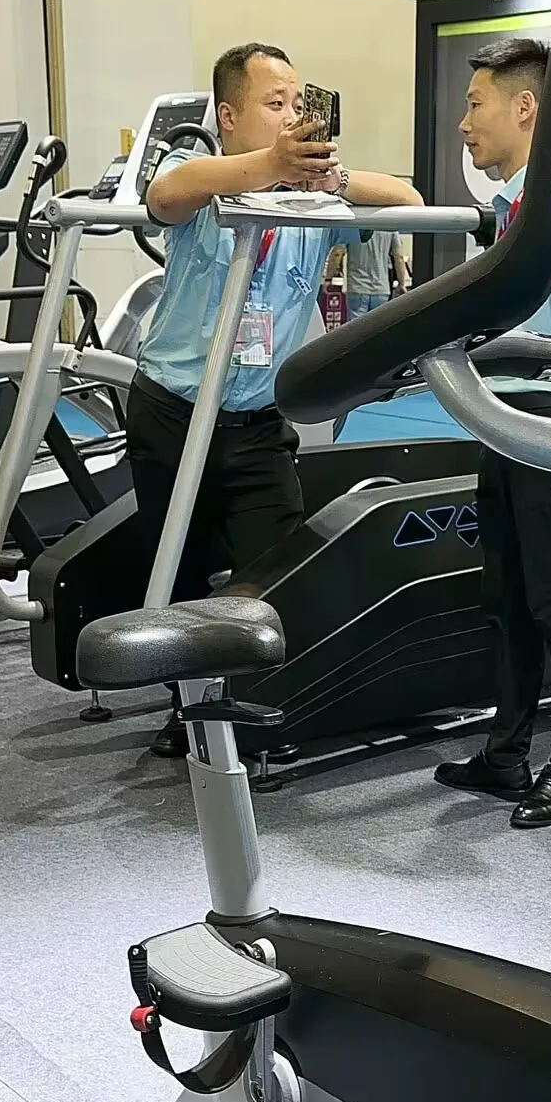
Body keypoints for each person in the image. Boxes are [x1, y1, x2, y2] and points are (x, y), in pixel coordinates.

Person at [130, 40, 421, 754]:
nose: (292, 115)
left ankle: (256, 703)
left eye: (297, 103)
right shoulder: (198, 175)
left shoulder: (316, 199)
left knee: (275, 569)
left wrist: (329, 178)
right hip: (173, 412)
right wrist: (270, 166)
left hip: (258, 424)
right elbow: (164, 195)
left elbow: (410, 200)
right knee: (178, 565)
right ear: (229, 115)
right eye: (274, 103)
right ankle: (187, 707)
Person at [433, 35, 551, 829]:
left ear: (524, 108)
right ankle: (505, 756)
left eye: (474, 104)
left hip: (547, 427)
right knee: (508, 600)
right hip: (502, 422)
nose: (463, 123)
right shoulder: (514, 211)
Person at [324, 226, 409, 316]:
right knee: (379, 324)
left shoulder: (353, 226)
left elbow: (337, 253)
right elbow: (399, 257)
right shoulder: (389, 227)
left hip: (357, 287)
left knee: (358, 325)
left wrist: (328, 278)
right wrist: (401, 284)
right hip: (381, 289)